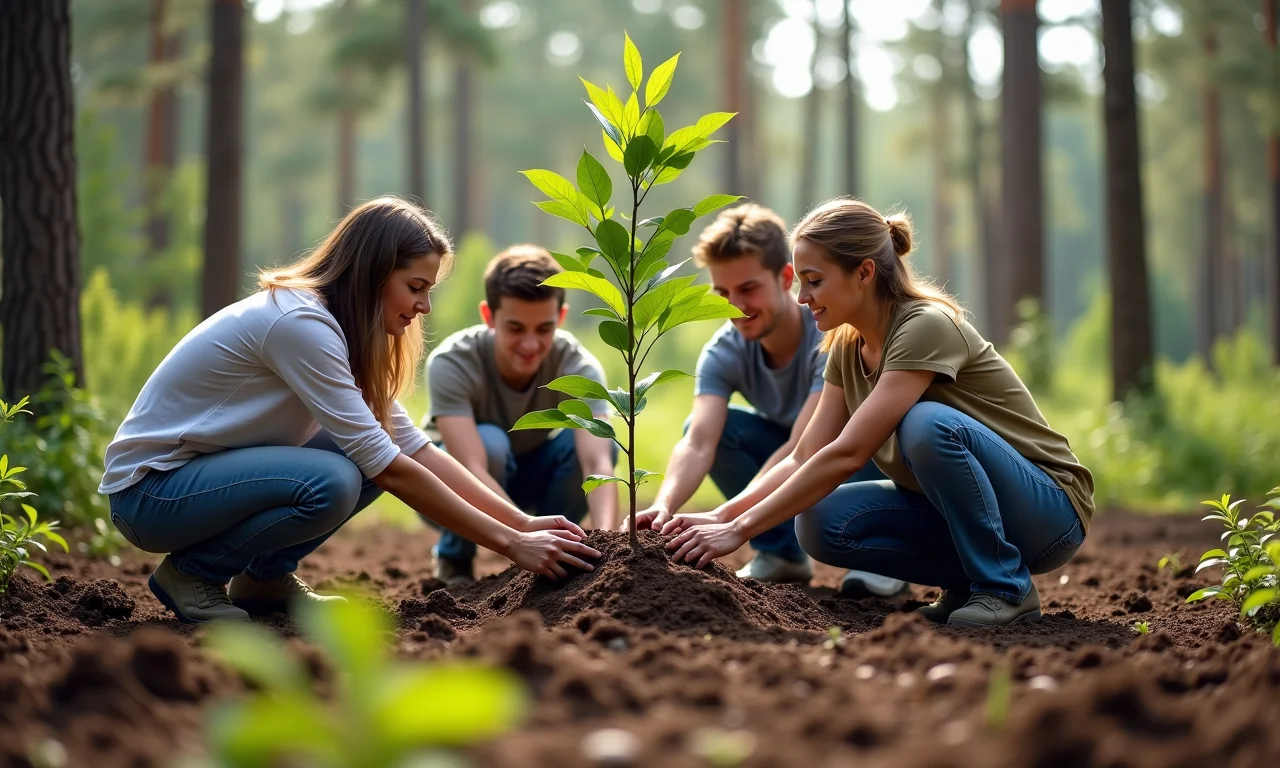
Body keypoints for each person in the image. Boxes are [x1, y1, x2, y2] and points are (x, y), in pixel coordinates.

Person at [100, 198, 599, 624]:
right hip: (152, 492)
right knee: (335, 479)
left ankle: (265, 579)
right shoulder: (301, 324)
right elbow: (390, 468)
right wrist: (511, 544)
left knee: (353, 461)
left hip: (201, 481)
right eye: (416, 287)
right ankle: (194, 573)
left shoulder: (338, 331)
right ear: (374, 273)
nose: (424, 307)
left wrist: (522, 523)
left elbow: (414, 449)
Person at [662, 198, 1094, 627]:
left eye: (813, 281)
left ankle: (1005, 587)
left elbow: (849, 452)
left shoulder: (923, 325)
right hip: (976, 511)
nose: (803, 296)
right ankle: (967, 585)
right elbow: (803, 454)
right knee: (817, 521)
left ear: (865, 272)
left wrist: (740, 532)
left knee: (926, 425)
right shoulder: (844, 346)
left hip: (1049, 512)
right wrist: (723, 516)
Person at [632, 203, 908, 597]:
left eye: (748, 289)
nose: (735, 307)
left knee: (838, 450)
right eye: (723, 293)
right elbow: (698, 442)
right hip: (799, 459)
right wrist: (664, 506)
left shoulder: (831, 335)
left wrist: (729, 521)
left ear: (785, 278)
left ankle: (882, 554)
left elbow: (806, 448)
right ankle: (780, 553)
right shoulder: (724, 352)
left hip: (857, 458)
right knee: (711, 428)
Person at [424, 245, 619, 585]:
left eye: (544, 329)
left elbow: (597, 465)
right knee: (492, 443)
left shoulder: (577, 366)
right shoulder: (452, 362)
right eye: (515, 328)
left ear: (560, 318)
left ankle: (564, 547)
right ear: (489, 316)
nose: (530, 344)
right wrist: (522, 536)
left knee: (596, 442)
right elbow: (469, 468)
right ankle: (455, 557)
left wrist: (611, 546)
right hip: (454, 487)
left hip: (537, 474)